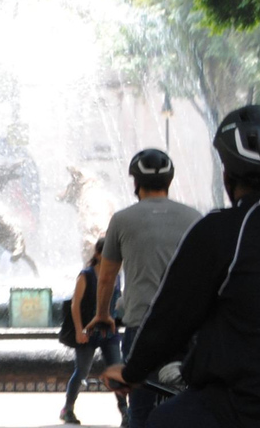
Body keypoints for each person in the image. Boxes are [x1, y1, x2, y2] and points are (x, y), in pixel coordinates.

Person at [101, 105, 260, 427]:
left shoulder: (222, 231)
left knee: (162, 419)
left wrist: (131, 371)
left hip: (255, 410)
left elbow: (170, 318)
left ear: (226, 173)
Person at [86, 148, 201, 428]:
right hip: (186, 326)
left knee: (141, 408)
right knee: (190, 401)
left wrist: (103, 314)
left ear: (136, 183)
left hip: (142, 324)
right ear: (169, 182)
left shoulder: (122, 219)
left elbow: (106, 277)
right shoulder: (194, 217)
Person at [60, 238, 128, 427]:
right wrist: (79, 330)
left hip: (109, 332)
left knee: (116, 370)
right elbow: (75, 304)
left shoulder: (117, 275)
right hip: (88, 332)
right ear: (98, 254)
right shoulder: (86, 275)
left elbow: (117, 300)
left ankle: (125, 412)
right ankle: (68, 408)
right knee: (81, 371)